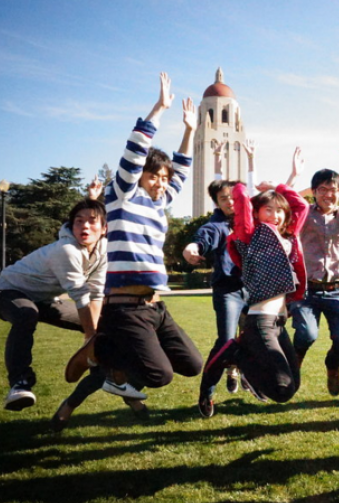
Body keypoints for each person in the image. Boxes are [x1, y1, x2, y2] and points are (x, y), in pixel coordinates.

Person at [89, 73, 203, 402]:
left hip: (155, 305)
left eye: (163, 178)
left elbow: (181, 168)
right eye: (154, 176)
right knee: (160, 375)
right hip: (124, 307)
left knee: (193, 365)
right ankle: (111, 363)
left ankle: (110, 354)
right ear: (140, 176)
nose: (161, 182)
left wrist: (190, 131)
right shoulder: (122, 195)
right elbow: (135, 150)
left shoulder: (160, 203)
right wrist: (160, 108)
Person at [0, 198, 112, 411]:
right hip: (8, 292)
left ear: (104, 229)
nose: (85, 225)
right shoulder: (67, 250)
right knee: (26, 314)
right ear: (71, 226)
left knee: (102, 322)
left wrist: (93, 336)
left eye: (92, 221)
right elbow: (81, 297)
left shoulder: (103, 250)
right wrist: (89, 338)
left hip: (44, 300)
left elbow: (96, 293)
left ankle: (105, 371)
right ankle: (19, 384)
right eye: (79, 221)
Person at [203, 170, 308, 403]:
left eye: (279, 210)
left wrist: (278, 187)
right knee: (282, 390)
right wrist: (240, 186)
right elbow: (242, 208)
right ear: (257, 213)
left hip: (280, 322)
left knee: (293, 385)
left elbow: (301, 207)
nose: (275, 215)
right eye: (268, 209)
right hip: (260, 320)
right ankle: (236, 354)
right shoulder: (251, 236)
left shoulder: (289, 237)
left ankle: (241, 357)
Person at [290, 151, 339, 396]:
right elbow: (285, 202)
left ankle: (333, 367)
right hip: (307, 290)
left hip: (337, 290)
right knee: (307, 333)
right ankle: (295, 364)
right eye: (323, 189)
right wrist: (293, 174)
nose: (328, 194)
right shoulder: (304, 214)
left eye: (333, 189)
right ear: (314, 191)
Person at [183, 177, 247, 417]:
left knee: (258, 337)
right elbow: (204, 237)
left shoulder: (250, 220)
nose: (230, 202)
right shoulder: (217, 225)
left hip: (254, 290)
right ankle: (207, 392)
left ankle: (237, 370)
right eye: (223, 199)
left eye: (233, 196)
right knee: (226, 342)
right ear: (217, 203)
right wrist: (193, 248)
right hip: (228, 291)